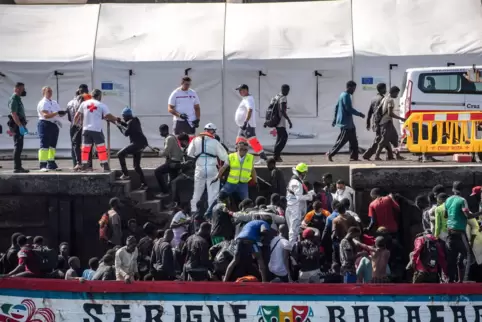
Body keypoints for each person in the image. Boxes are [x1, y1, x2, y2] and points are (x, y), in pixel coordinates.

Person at [187, 123, 228, 213]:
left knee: (197, 192)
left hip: (199, 168)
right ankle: (211, 214)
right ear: (213, 131)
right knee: (213, 194)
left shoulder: (195, 140)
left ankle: (194, 212)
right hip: (212, 168)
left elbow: (189, 153)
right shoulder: (215, 142)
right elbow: (224, 157)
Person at [74, 89, 118, 172]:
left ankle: (84, 165)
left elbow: (77, 115)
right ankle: (105, 165)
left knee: (85, 148)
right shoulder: (101, 105)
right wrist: (116, 119)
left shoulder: (84, 103)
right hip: (96, 129)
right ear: (99, 96)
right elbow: (108, 115)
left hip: (86, 129)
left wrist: (76, 124)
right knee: (101, 148)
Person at [445, 181, 477, 282]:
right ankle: (464, 280)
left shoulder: (448, 200)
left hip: (449, 233)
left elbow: (446, 215)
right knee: (469, 256)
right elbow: (468, 215)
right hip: (459, 233)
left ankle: (450, 280)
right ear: (463, 190)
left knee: (452, 258)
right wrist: (480, 212)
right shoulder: (462, 200)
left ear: (453, 190)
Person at [327, 81, 365, 161]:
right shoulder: (346, 96)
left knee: (354, 141)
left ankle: (354, 157)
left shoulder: (342, 95)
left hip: (349, 123)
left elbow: (337, 107)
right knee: (342, 141)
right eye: (353, 88)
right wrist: (359, 114)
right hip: (346, 123)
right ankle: (330, 153)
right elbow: (349, 109)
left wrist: (335, 119)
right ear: (349, 87)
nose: (354, 90)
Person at [115, 107, 148, 188]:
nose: (123, 117)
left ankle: (125, 174)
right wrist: (121, 123)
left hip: (137, 144)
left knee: (120, 154)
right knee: (136, 166)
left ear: (127, 116)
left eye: (123, 116)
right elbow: (128, 125)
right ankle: (144, 184)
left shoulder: (131, 122)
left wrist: (118, 126)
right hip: (142, 143)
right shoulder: (135, 120)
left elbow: (126, 133)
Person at [234, 84, 267, 164]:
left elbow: (250, 110)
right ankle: (239, 158)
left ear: (246, 90)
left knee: (253, 141)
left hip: (247, 125)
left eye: (241, 90)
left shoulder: (249, 99)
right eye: (239, 91)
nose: (240, 92)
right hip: (242, 126)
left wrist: (245, 122)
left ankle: (263, 158)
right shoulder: (245, 99)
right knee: (239, 141)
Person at [36, 86, 65, 171]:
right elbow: (45, 115)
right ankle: (42, 165)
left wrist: (61, 113)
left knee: (52, 145)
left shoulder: (54, 102)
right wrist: (56, 113)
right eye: (48, 91)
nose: (50, 93)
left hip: (54, 124)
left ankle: (51, 163)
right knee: (44, 145)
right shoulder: (42, 103)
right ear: (44, 92)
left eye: (51, 91)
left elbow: (58, 113)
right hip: (45, 124)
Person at [285, 163, 316, 244]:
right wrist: (310, 197)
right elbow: (299, 197)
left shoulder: (294, 179)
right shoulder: (297, 183)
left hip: (292, 207)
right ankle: (292, 248)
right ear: (302, 173)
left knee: (296, 230)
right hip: (294, 209)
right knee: (293, 231)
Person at [155, 124, 188, 198]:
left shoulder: (169, 138)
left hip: (173, 162)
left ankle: (164, 191)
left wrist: (158, 152)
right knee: (173, 183)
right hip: (176, 162)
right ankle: (176, 203)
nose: (160, 133)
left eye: (161, 132)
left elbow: (166, 152)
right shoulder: (172, 137)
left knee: (157, 172)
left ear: (165, 131)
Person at [374, 86, 405, 160]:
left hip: (387, 122)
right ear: (393, 93)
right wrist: (401, 118)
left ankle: (397, 155)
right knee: (384, 140)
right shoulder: (390, 100)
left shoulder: (385, 98)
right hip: (386, 123)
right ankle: (377, 156)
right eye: (397, 93)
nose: (397, 95)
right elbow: (390, 113)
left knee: (395, 138)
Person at [66, 84, 89, 169]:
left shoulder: (70, 103)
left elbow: (69, 117)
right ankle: (86, 164)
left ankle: (75, 164)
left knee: (74, 145)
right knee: (86, 144)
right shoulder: (85, 102)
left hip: (73, 125)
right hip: (83, 125)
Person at [363, 83, 388, 160]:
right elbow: (382, 112)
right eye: (385, 88)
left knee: (385, 137)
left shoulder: (373, 98)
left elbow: (370, 111)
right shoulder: (382, 99)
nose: (386, 90)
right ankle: (367, 154)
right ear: (381, 89)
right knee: (379, 139)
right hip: (380, 122)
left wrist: (368, 122)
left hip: (375, 121)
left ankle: (390, 155)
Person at [8, 82, 29, 173]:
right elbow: (14, 114)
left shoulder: (18, 99)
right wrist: (20, 125)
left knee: (19, 145)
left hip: (20, 124)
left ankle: (18, 166)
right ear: (17, 89)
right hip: (16, 125)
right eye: (22, 89)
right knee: (18, 145)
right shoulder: (14, 99)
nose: (23, 91)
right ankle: (17, 167)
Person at [269, 84, 293, 162]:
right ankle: (276, 154)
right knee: (284, 137)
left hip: (275, 120)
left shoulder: (276, 96)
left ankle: (276, 155)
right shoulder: (283, 97)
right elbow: (282, 110)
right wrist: (288, 120)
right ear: (284, 90)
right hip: (280, 121)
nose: (287, 92)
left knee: (279, 137)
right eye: (287, 90)